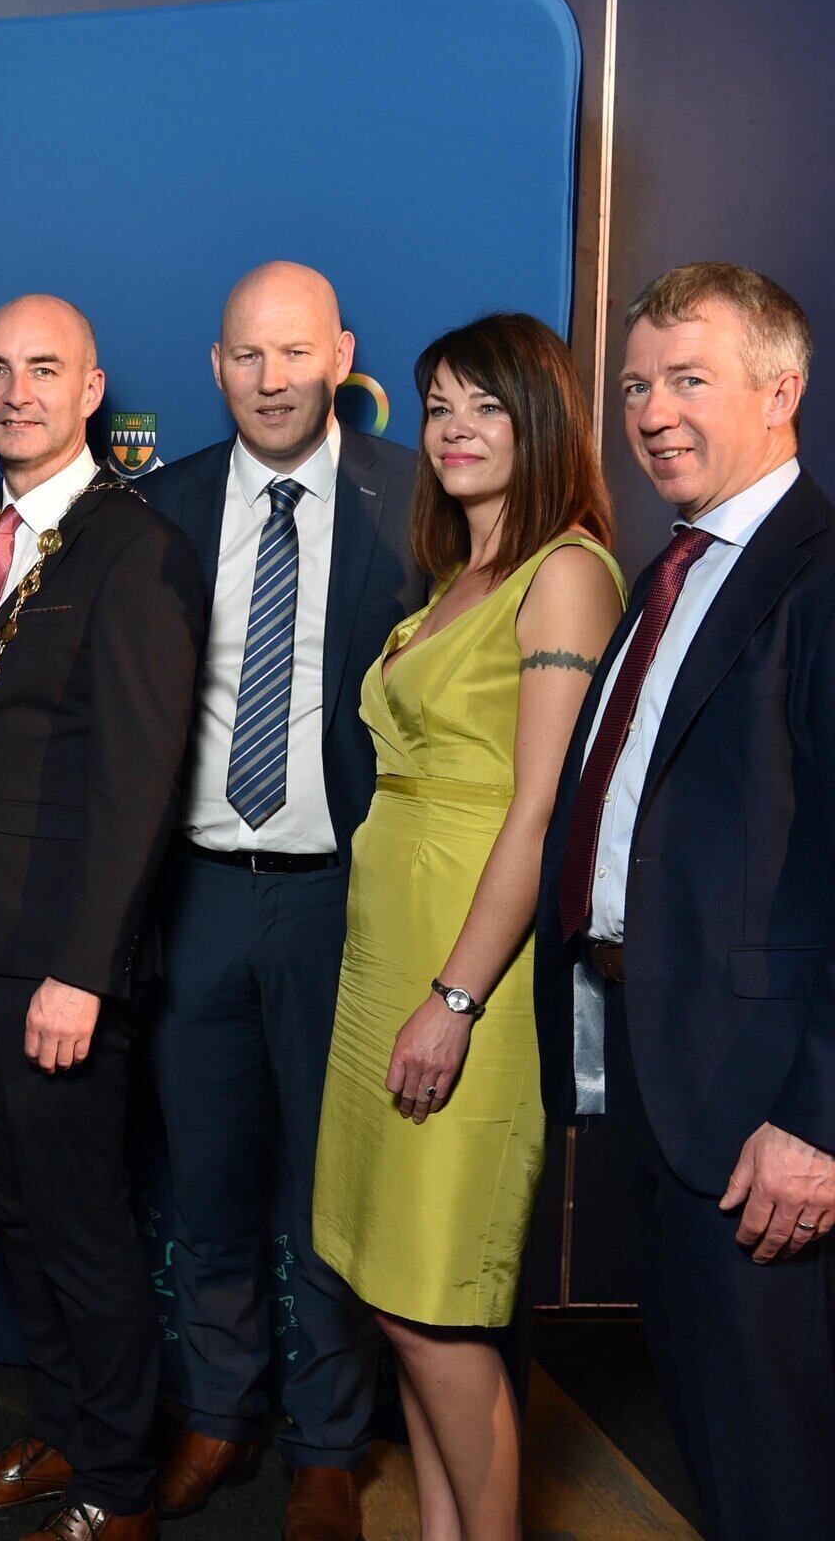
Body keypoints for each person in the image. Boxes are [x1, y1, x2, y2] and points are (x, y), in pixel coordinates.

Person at [534, 262, 835, 1539]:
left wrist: (815, 1119)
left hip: (763, 1108)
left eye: (687, 378)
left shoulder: (815, 576)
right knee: (719, 1438)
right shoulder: (671, 569)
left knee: (776, 1468)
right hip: (673, 1087)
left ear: (782, 388)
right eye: (636, 383)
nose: (651, 410)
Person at [310, 312, 620, 1541]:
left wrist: (453, 998)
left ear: (540, 419)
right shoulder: (457, 578)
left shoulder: (566, 570)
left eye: (486, 404)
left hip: (462, 978)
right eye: (438, 404)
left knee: (439, 1308)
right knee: (395, 1300)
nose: (452, 428)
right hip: (382, 958)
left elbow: (538, 811)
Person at [0, 296, 204, 1541]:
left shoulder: (135, 545)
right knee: (15, 1216)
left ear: (92, 391)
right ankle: (69, 1432)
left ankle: (118, 1490)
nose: (14, 390)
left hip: (57, 968)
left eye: (44, 370)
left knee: (82, 1229)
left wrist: (81, 971)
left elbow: (138, 780)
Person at [133, 262, 417, 1539]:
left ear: (340, 355)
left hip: (338, 900)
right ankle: (215, 1410)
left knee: (327, 1189)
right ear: (215, 364)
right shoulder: (165, 505)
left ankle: (325, 1439)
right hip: (191, 894)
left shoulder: (415, 500)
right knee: (204, 1180)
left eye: (294, 352)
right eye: (247, 355)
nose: (270, 377)